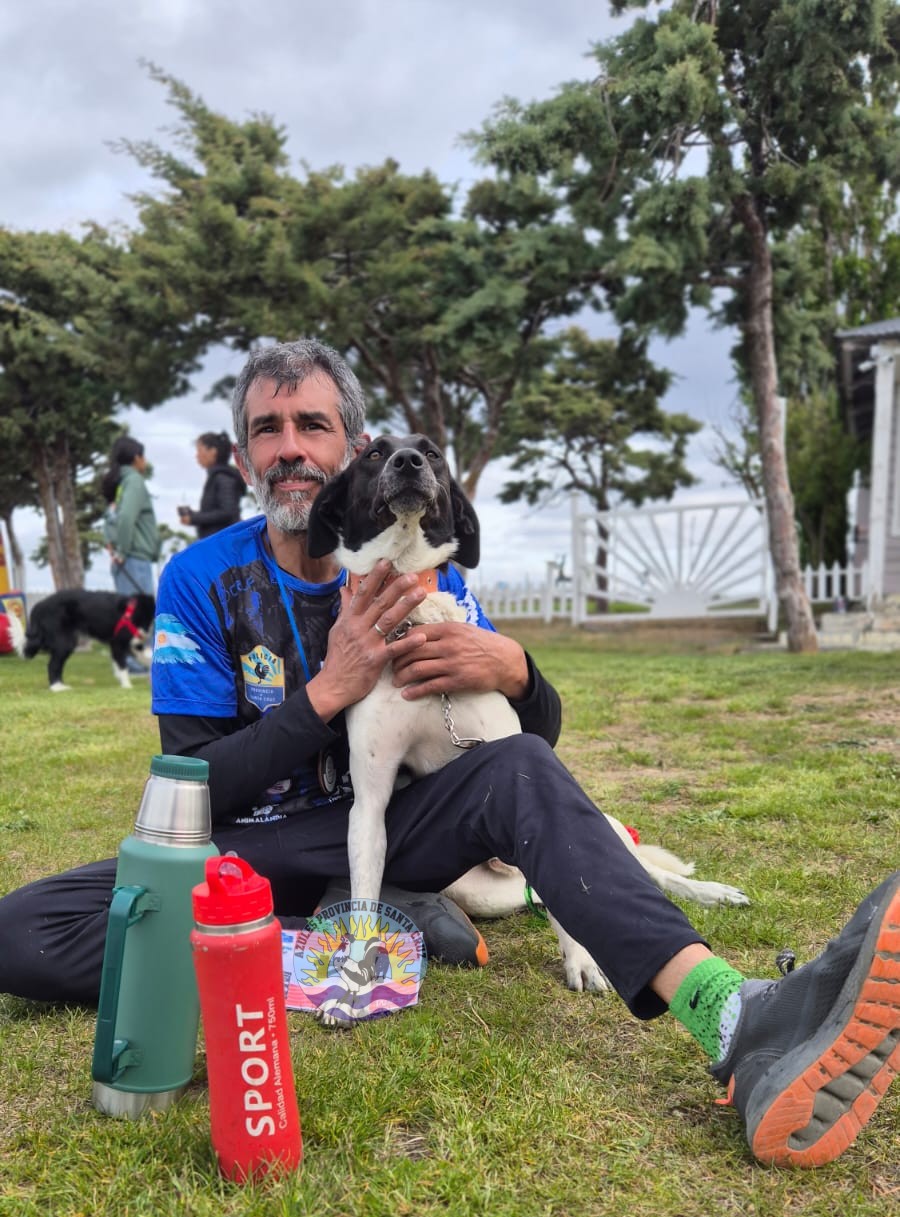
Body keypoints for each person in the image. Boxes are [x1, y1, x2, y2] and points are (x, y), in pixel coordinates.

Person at [0, 339, 897, 1172]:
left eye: (312, 424)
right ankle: (340, 935)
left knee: (521, 770)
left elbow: (524, 752)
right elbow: (194, 787)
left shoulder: (433, 574)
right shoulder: (199, 578)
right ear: (242, 457)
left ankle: (733, 1013)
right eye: (267, 429)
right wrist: (327, 693)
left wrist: (518, 670)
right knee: (22, 931)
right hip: (250, 856)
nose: (290, 448)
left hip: (402, 826)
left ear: (353, 449)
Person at [103, 436, 160, 597]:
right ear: (136, 458)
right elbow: (126, 517)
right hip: (135, 560)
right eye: (143, 456)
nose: (145, 461)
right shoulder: (134, 481)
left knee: (128, 610)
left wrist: (115, 548)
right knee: (140, 611)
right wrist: (122, 552)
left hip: (124, 562)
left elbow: (112, 517)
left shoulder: (120, 484)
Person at [178, 431, 245, 539]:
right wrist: (193, 515)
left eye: (199, 450)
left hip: (223, 543)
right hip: (217, 541)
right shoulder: (216, 477)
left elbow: (227, 513)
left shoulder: (224, 478)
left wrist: (194, 518)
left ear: (213, 451)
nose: (197, 455)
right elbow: (218, 512)